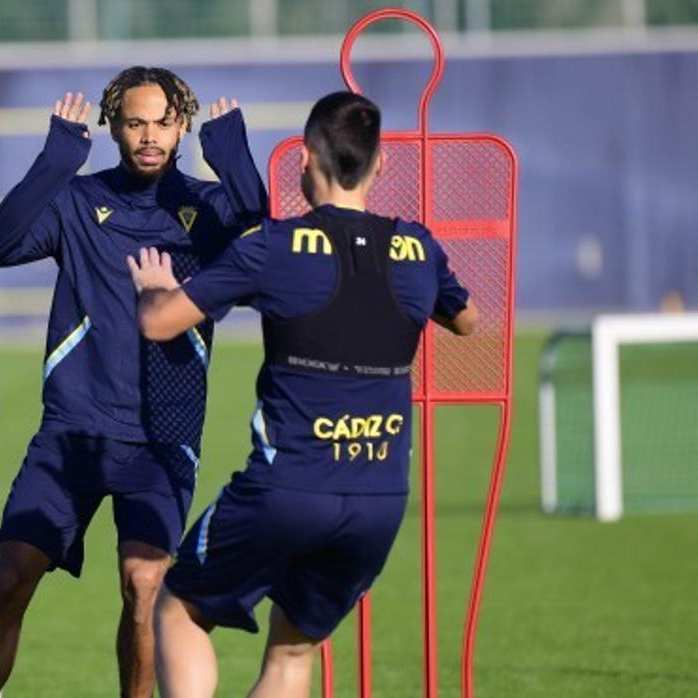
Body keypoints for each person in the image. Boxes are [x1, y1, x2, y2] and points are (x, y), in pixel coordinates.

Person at [127, 91, 478, 698]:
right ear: (379, 164)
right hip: (378, 500)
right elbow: (468, 321)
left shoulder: (275, 245)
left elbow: (159, 323)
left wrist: (154, 288)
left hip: (286, 490)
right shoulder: (418, 250)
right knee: (292, 652)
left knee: (180, 608)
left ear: (307, 158)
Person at [0, 66, 266, 698]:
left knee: (144, 585)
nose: (149, 136)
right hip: (71, 433)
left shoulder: (210, 210)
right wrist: (54, 162)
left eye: (163, 122)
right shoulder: (75, 200)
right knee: (11, 577)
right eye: (135, 123)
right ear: (112, 128)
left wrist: (236, 165)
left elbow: (267, 260)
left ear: (182, 127)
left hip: (161, 439)